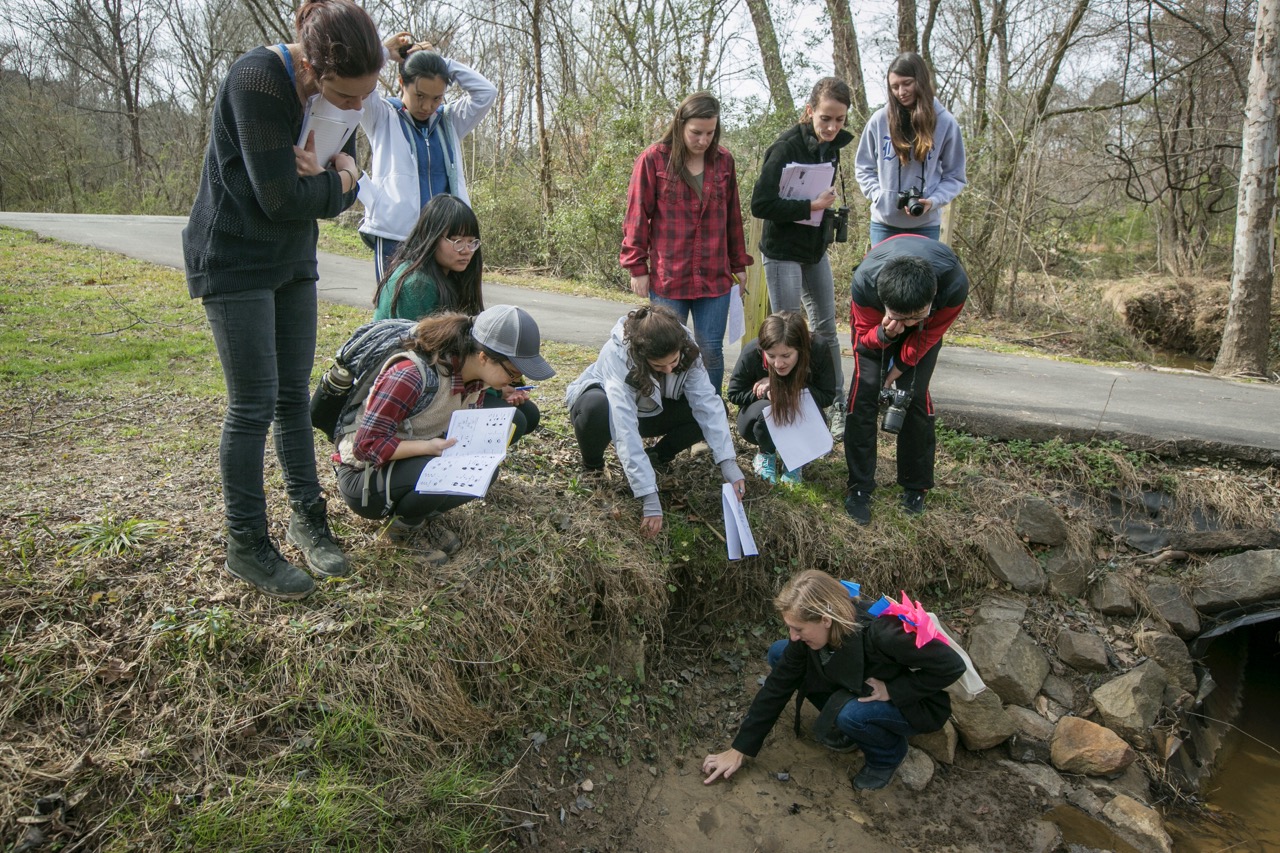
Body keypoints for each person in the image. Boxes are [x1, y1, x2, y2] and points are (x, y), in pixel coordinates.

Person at [182, 0, 385, 600]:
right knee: (253, 404)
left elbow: (316, 187)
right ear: (313, 68)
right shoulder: (257, 80)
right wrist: (342, 183)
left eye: (363, 98)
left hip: (293, 259)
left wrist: (329, 182)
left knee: (293, 398)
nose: (354, 108)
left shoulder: (337, 93)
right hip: (234, 255)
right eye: (346, 97)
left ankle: (308, 517)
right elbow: (277, 199)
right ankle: (245, 543)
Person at [702, 570, 964, 791]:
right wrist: (739, 749)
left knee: (850, 715)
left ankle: (888, 755)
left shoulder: (884, 633)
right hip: (856, 681)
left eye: (799, 629)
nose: (793, 636)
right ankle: (850, 731)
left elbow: (952, 666)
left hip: (911, 701)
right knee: (780, 653)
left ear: (825, 620)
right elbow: (778, 685)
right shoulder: (810, 636)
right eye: (790, 627)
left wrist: (894, 690)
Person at [335, 306, 554, 564]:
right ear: (484, 357)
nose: (516, 379)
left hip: (402, 463)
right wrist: (428, 447)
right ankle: (400, 534)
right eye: (513, 371)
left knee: (483, 472)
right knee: (442, 470)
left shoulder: (476, 380)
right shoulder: (412, 374)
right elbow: (366, 446)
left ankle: (418, 518)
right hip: (363, 475)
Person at [371, 193, 540, 443]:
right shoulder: (416, 284)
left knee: (527, 413)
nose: (466, 251)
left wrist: (504, 383)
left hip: (443, 379)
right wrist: (491, 386)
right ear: (431, 236)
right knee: (514, 419)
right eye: (457, 241)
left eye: (472, 242)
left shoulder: (449, 275)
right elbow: (428, 359)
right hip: (412, 390)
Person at [565, 306, 746, 537]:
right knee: (594, 409)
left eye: (673, 362)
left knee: (717, 405)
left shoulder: (686, 347)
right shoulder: (617, 355)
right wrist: (648, 494)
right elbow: (623, 426)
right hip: (607, 409)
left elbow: (706, 404)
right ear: (642, 357)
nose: (670, 369)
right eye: (660, 366)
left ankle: (658, 457)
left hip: (654, 409)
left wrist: (727, 461)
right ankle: (593, 466)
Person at [620, 92, 752, 393]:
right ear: (680, 125)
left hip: (714, 278)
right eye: (696, 132)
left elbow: (733, 217)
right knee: (666, 351)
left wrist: (739, 265)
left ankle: (706, 424)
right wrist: (636, 266)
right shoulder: (654, 159)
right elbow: (637, 215)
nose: (703, 140)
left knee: (710, 351)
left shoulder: (724, 161)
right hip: (669, 277)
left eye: (710, 133)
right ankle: (670, 415)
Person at [751, 78, 854, 439]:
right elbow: (760, 204)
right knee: (788, 334)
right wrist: (810, 205)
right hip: (782, 253)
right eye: (826, 118)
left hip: (814, 251)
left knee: (826, 328)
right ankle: (785, 408)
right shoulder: (784, 146)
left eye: (840, 120)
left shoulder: (834, 147)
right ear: (810, 111)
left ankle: (835, 404)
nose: (832, 127)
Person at [841, 236, 968, 524]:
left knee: (915, 394)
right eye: (902, 317)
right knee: (864, 392)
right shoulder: (865, 284)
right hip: (878, 327)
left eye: (915, 317)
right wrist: (885, 334)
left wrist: (898, 369)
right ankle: (859, 488)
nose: (909, 322)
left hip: (927, 326)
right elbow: (863, 340)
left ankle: (916, 485)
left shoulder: (954, 285)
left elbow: (929, 336)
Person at [359, 35, 496, 281]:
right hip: (397, 236)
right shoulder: (382, 116)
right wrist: (384, 53)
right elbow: (359, 82)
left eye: (437, 98)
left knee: (445, 317)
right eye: (419, 95)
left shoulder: (450, 121)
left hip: (446, 241)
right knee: (395, 314)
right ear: (402, 82)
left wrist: (441, 62)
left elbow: (486, 92)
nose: (427, 106)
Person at [854, 52, 966, 244]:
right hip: (884, 224)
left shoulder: (945, 123)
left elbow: (955, 176)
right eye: (895, 87)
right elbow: (863, 167)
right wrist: (878, 196)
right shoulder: (880, 120)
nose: (901, 92)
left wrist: (933, 201)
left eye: (907, 83)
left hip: (925, 225)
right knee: (883, 275)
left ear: (921, 81)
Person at [726, 312, 839, 486]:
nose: (778, 364)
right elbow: (734, 393)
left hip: (801, 412)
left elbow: (827, 396)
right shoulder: (752, 351)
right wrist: (765, 394)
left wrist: (782, 386)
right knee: (767, 410)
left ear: (801, 349)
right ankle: (766, 454)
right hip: (758, 416)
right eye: (771, 356)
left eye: (786, 356)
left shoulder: (818, 348)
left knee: (799, 406)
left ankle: (795, 460)